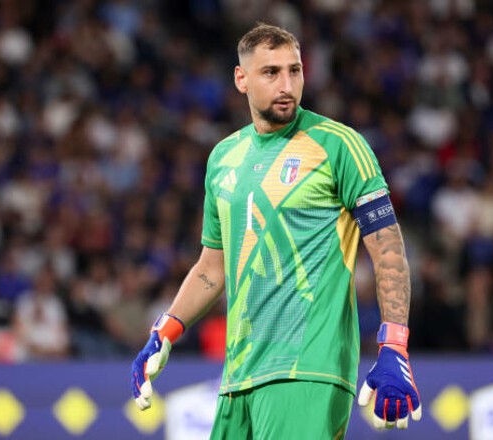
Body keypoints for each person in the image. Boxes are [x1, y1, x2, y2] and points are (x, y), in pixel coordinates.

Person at [130, 23, 422, 438]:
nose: (287, 85)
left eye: (294, 71)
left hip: (308, 369)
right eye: (271, 72)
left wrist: (394, 345)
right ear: (241, 78)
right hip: (238, 376)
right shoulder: (223, 158)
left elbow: (388, 247)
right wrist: (165, 330)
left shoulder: (340, 145)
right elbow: (212, 267)